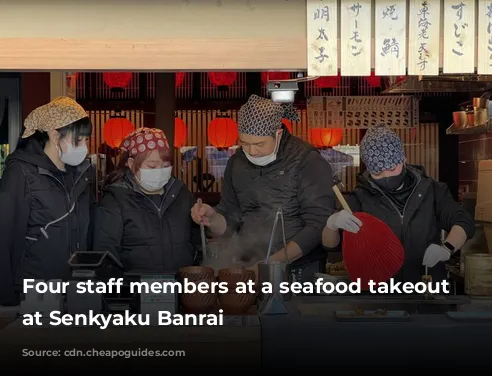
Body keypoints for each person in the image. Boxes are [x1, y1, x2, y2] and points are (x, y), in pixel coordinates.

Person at [191, 95, 335, 280]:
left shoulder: (307, 161)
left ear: (278, 134)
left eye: (259, 144)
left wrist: (270, 264)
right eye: (244, 143)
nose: (252, 151)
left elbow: (317, 225)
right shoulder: (237, 163)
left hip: (300, 269)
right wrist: (212, 219)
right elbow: (230, 218)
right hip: (248, 264)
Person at [322, 123, 475, 284]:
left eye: (392, 168)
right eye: (377, 172)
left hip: (426, 288)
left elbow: (463, 221)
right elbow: (330, 245)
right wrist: (332, 224)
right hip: (378, 293)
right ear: (368, 169)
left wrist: (447, 248)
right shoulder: (359, 198)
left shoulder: (433, 191)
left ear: (403, 159)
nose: (386, 176)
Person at [0, 96, 94, 306]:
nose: (84, 146)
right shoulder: (21, 172)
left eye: (86, 139)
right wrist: (4, 298)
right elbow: (2, 238)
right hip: (34, 294)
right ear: (55, 134)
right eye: (79, 139)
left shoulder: (82, 175)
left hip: (76, 291)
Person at [92, 127, 200, 272]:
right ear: (131, 164)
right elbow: (106, 256)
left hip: (180, 288)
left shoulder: (181, 194)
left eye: (166, 165)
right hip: (134, 290)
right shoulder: (115, 199)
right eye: (152, 166)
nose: (160, 170)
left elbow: (198, 244)